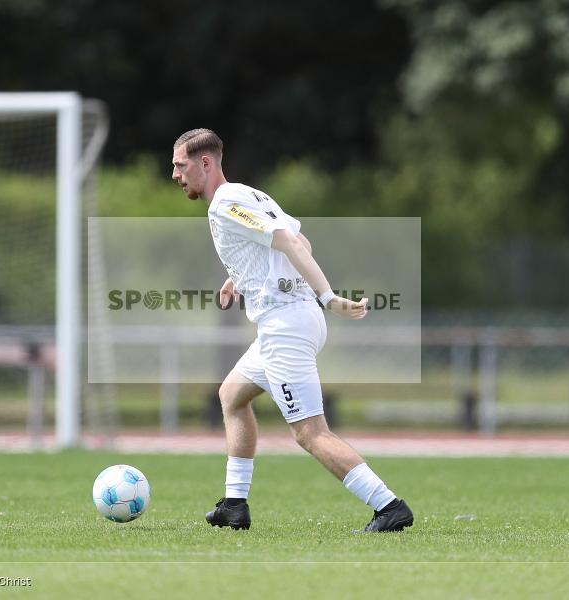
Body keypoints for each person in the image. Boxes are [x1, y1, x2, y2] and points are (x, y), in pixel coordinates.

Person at [170, 128, 413, 532]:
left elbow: (290, 243)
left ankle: (388, 506)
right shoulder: (249, 195)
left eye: (180, 165)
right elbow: (302, 242)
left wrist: (329, 297)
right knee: (231, 395)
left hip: (287, 326)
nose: (175, 174)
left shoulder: (226, 203)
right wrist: (242, 278)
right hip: (283, 324)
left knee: (309, 433)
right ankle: (234, 504)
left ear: (205, 163)